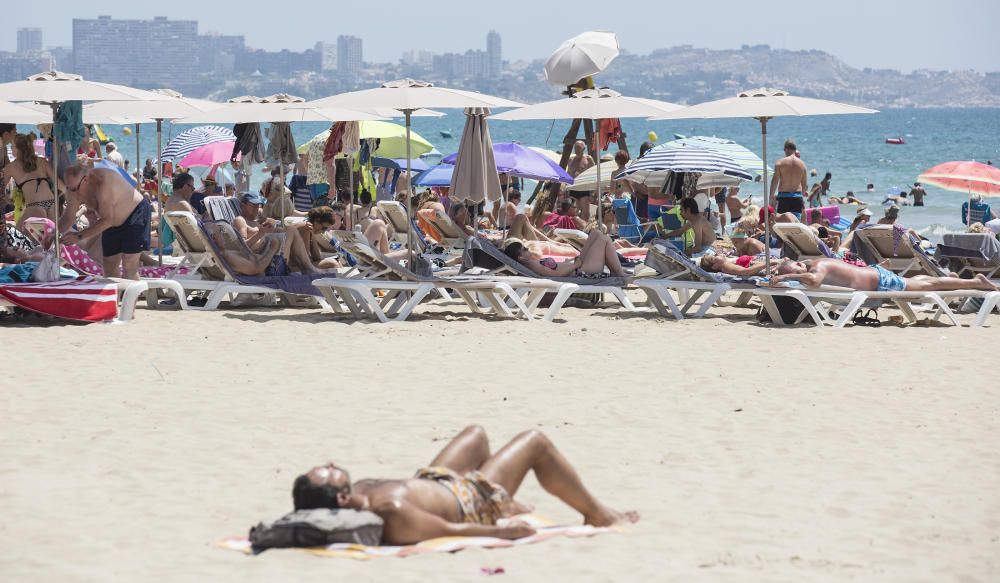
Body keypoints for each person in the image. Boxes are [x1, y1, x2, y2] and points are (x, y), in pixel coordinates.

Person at [291, 425, 638, 546]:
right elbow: (448, 529)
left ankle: (508, 495)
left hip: (435, 481)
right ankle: (598, 514)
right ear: (340, 496)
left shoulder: (362, 490)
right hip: (470, 501)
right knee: (535, 442)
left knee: (476, 435)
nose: (331, 464)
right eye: (326, 471)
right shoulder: (390, 513)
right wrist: (504, 533)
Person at [60, 164, 152, 280]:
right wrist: (54, 233)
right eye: (68, 187)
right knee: (109, 265)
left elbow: (107, 220)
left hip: (135, 213)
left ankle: (132, 296)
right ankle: (115, 296)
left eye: (74, 189)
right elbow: (68, 217)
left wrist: (78, 236)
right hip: (112, 222)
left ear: (86, 180)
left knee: (129, 265)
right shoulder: (74, 187)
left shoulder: (103, 181)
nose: (72, 192)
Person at [772, 257, 998, 293]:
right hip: (875, 273)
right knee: (918, 282)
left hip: (881, 282)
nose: (798, 276)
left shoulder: (817, 268)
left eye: (797, 273)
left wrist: (784, 279)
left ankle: (975, 281)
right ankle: (961, 279)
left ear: (801, 264)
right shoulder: (814, 261)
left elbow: (814, 282)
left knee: (930, 286)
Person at [504, 229, 627, 278]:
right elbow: (556, 274)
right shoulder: (532, 265)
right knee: (603, 239)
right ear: (520, 257)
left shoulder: (530, 263)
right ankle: (620, 274)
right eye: (524, 249)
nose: (528, 249)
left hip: (577, 266)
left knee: (596, 233)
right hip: (581, 272)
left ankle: (616, 272)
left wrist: (571, 262)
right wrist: (574, 265)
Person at [3, 134, 62, 227]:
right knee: (50, 239)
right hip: (52, 204)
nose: (11, 148)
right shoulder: (42, 161)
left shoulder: (10, 168)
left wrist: (7, 199)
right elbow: (59, 184)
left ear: (18, 149)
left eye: (12, 146)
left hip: (35, 206)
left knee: (17, 236)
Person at [770, 139, 809, 220]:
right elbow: (804, 185)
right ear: (795, 150)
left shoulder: (779, 163)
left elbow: (775, 181)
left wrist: (771, 197)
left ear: (785, 149)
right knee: (795, 225)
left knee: (783, 224)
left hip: (784, 198)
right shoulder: (802, 165)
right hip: (797, 198)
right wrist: (801, 199)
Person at [700, 254, 769, 277]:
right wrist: (769, 263)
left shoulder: (727, 263)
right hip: (767, 267)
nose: (717, 255)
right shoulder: (725, 266)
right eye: (714, 257)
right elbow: (746, 272)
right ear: (714, 267)